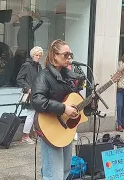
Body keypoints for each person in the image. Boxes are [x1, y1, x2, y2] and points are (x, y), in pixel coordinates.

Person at [31, 39, 81, 179]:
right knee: (54, 174)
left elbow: (73, 99)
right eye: (66, 54)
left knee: (65, 170)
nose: (69, 58)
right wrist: (63, 108)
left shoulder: (68, 77)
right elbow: (37, 100)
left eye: (70, 54)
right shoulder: (43, 76)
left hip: (65, 128)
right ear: (54, 56)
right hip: (49, 127)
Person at [16, 46, 43, 144]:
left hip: (38, 94)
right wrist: (28, 88)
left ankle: (35, 134)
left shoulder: (39, 67)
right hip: (30, 94)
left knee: (37, 115)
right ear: (32, 55)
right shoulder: (27, 65)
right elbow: (19, 79)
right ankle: (25, 135)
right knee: (31, 115)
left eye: (40, 55)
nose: (38, 57)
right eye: (36, 55)